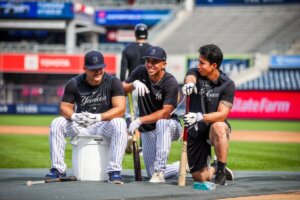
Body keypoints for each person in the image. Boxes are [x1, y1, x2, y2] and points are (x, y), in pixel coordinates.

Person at [45, 50, 127, 184]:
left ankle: (114, 171)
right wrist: (75, 116)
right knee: (57, 123)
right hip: (82, 123)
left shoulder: (113, 81)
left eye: (100, 68)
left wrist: (98, 117)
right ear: (85, 69)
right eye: (93, 69)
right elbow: (64, 107)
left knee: (120, 123)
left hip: (103, 123)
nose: (98, 72)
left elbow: (120, 109)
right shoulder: (74, 83)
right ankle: (58, 169)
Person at [122, 46, 182, 183]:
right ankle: (183, 166)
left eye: (155, 61)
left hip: (171, 126)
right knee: (150, 173)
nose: (150, 64)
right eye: (148, 60)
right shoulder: (140, 71)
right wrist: (133, 84)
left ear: (164, 64)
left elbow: (166, 113)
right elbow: (121, 87)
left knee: (162, 122)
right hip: (148, 128)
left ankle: (160, 171)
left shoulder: (170, 82)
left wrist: (139, 120)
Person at [182, 44, 235, 185]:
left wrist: (200, 116)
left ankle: (221, 171)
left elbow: (222, 114)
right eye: (198, 61)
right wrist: (190, 84)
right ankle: (215, 168)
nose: (198, 65)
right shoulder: (195, 72)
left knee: (219, 126)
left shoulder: (228, 84)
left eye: (202, 63)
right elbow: (190, 78)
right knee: (200, 177)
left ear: (214, 65)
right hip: (196, 130)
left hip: (213, 128)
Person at [120, 23, 152, 153]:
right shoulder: (151, 49)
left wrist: (124, 87)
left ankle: (130, 137)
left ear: (135, 34)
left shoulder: (127, 49)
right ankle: (144, 147)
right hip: (148, 86)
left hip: (132, 85)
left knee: (129, 114)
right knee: (145, 114)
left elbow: (123, 72)